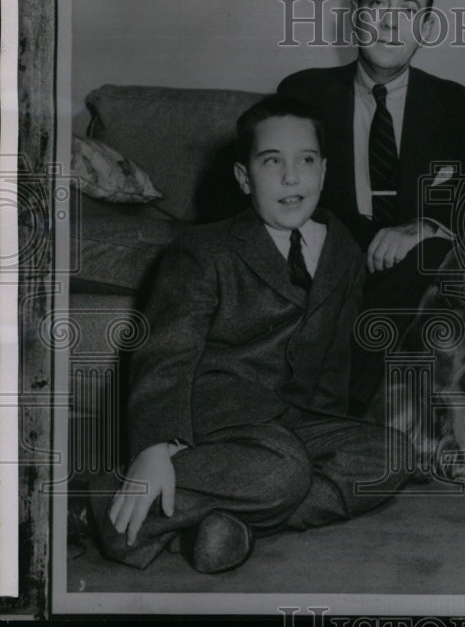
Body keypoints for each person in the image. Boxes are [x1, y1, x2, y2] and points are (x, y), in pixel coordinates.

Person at [90, 96, 410, 573]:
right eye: (271, 162)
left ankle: (220, 521)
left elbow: (336, 353)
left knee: (390, 454)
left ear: (323, 172)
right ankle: (110, 501)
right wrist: (156, 447)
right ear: (244, 178)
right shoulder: (203, 249)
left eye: (305, 161)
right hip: (213, 412)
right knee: (282, 471)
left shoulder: (342, 246)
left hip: (292, 418)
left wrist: (334, 430)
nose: (290, 177)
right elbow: (167, 353)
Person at [278, 0, 465, 414]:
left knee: (437, 255)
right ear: (356, 17)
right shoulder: (302, 92)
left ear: (426, 28)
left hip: (412, 266)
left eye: (409, 11)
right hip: (330, 257)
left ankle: (336, 407)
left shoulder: (458, 106)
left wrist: (423, 225)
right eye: (378, 5)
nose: (391, 24)